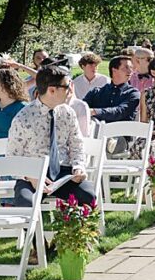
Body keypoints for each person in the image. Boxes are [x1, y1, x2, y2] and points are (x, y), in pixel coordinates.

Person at [8, 66, 97, 207]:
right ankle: (31, 230)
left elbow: (77, 144)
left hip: (64, 173)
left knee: (88, 196)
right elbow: (12, 158)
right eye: (67, 86)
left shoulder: (68, 113)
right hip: (32, 173)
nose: (71, 90)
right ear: (52, 90)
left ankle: (78, 229)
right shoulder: (23, 118)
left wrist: (78, 167)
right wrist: (30, 177)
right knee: (26, 204)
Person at [83, 55, 140, 123]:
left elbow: (120, 111)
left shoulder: (133, 93)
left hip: (123, 132)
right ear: (114, 70)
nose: (130, 71)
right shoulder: (96, 92)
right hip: (97, 132)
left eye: (131, 67)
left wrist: (94, 112)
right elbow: (81, 107)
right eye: (126, 67)